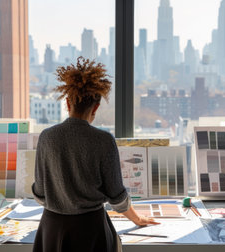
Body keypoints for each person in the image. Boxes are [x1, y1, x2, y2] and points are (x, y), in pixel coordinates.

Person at [32, 57, 159, 252]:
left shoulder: (47, 137)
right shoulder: (103, 140)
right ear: (96, 107)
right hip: (90, 230)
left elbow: (40, 193)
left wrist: (62, 197)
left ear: (67, 103)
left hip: (52, 228)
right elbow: (117, 195)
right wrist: (137, 218)